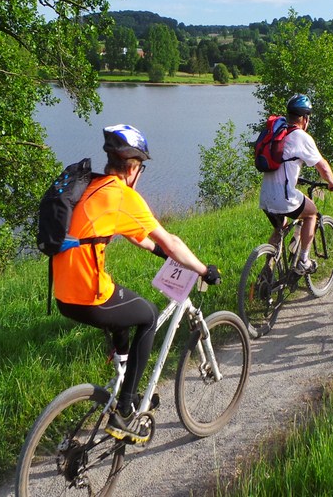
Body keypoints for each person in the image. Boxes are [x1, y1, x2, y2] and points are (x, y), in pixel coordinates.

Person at [52, 124, 221, 443]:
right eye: (140, 168)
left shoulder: (95, 186)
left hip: (63, 294)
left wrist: (161, 253)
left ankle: (121, 371)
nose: (139, 173)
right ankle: (125, 410)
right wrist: (202, 269)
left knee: (123, 309)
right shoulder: (123, 195)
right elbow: (170, 240)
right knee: (146, 316)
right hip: (88, 294)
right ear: (132, 167)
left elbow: (140, 237)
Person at [259, 94, 333, 275]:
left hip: (265, 197)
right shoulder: (301, 136)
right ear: (305, 118)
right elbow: (322, 166)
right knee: (311, 213)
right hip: (283, 197)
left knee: (280, 227)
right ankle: (303, 260)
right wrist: (332, 183)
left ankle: (268, 269)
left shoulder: (278, 134)